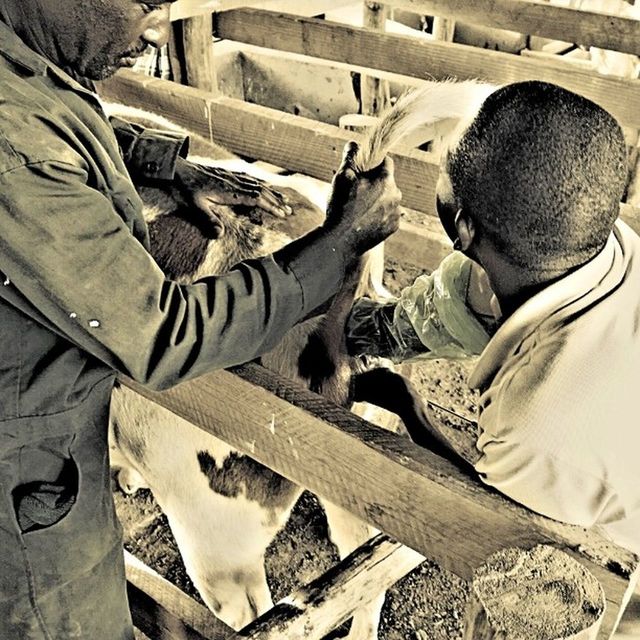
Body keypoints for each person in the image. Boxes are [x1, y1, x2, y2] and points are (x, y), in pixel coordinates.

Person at [0, 1, 402, 638]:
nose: (159, 32)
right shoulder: (12, 151)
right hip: (24, 478)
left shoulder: (20, 60)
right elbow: (162, 334)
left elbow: (56, 120)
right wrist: (336, 247)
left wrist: (168, 166)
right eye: (145, 5)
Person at [348, 81, 640, 566]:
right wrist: (376, 328)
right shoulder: (607, 243)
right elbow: (457, 296)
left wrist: (410, 408)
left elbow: (485, 517)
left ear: (462, 227)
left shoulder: (531, 424)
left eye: (444, 170)